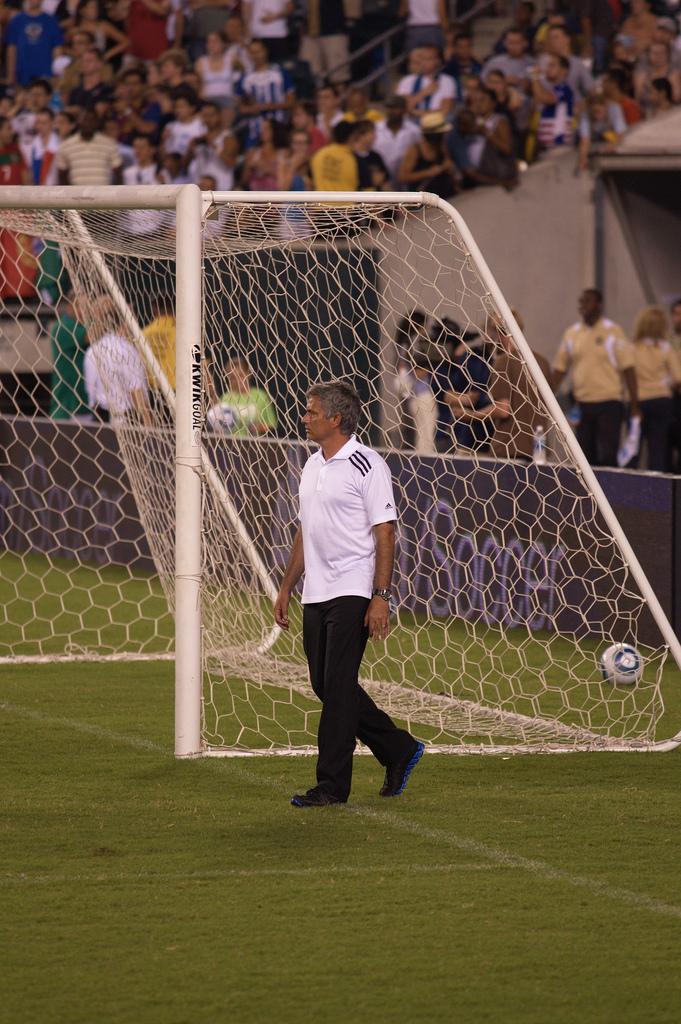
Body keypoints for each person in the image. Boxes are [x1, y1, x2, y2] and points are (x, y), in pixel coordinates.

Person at [274, 381, 425, 807]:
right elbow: (305, 530)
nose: (305, 417)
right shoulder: (311, 465)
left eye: (312, 412)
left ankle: (331, 787)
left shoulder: (368, 464)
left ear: (336, 419)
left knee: (338, 688)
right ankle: (398, 748)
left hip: (353, 588)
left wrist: (381, 595)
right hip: (316, 591)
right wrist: (286, 586)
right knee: (325, 685)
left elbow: (385, 532)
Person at [447, 310, 553, 461]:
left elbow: (503, 409)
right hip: (539, 447)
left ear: (498, 332)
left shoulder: (503, 362)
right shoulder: (542, 362)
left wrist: (470, 415)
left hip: (509, 447)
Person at [553, 289, 640, 467]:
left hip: (609, 403)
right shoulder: (572, 333)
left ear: (599, 305)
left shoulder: (613, 331)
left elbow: (629, 369)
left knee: (607, 455)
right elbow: (560, 369)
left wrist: (634, 406)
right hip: (583, 405)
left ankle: (609, 485)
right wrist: (546, 395)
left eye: (588, 301)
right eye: (581, 301)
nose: (583, 305)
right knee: (585, 458)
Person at [630, 306, 681, 472]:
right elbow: (678, 378)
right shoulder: (666, 348)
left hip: (637, 401)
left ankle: (628, 483)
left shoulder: (632, 348)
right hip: (661, 401)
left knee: (634, 447)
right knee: (657, 449)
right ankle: (656, 485)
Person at [84, 303, 151, 425]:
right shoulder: (127, 350)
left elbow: (91, 394)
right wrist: (149, 424)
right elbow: (137, 392)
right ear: (125, 324)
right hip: (127, 421)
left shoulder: (91, 351)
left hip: (99, 420)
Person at [209, 356, 276, 437]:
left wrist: (258, 428)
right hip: (231, 442)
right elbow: (218, 425)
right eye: (233, 378)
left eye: (240, 375)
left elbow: (271, 424)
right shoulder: (226, 397)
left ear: (248, 374)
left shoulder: (260, 396)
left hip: (254, 442)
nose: (237, 381)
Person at [397, 110, 457, 198]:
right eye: (441, 134)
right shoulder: (415, 150)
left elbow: (447, 164)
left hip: (445, 196)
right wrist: (428, 173)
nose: (444, 135)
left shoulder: (441, 146)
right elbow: (403, 177)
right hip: (425, 200)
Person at [5, 0, 64, 87]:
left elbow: (57, 49)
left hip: (46, 74)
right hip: (22, 74)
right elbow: (12, 49)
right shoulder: (16, 21)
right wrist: (11, 75)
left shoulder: (51, 21)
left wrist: (57, 75)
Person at [49, 293, 90, 421]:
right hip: (67, 409)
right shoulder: (62, 327)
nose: (85, 311)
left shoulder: (81, 325)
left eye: (87, 307)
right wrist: (100, 313)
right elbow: (90, 336)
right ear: (69, 306)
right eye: (81, 306)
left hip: (83, 406)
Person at [56, 108, 123, 184]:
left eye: (91, 120)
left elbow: (118, 174)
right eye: (85, 120)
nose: (88, 123)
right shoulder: (65, 146)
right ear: (78, 121)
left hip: (103, 191)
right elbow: (62, 175)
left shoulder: (110, 144)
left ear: (97, 123)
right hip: (77, 191)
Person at [395, 44, 458, 121]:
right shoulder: (407, 80)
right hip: (411, 122)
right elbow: (401, 108)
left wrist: (416, 113)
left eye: (428, 59)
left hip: (435, 121)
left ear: (437, 61)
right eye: (422, 59)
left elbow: (444, 112)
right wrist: (423, 93)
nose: (424, 62)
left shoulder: (447, 81)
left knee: (448, 119)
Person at [373, 95, 420, 182]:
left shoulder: (414, 130)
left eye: (395, 108)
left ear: (404, 110)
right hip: (381, 180)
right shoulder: (375, 128)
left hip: (405, 181)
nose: (391, 111)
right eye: (389, 107)